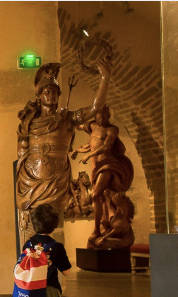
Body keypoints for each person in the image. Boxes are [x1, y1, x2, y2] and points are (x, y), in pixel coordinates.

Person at [15, 57, 111, 240]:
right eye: (46, 91)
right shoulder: (29, 122)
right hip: (30, 181)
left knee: (53, 230)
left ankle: (52, 264)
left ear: (58, 96)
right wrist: (24, 178)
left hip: (56, 181)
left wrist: (105, 78)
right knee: (29, 233)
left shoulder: (68, 118)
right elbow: (21, 152)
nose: (51, 95)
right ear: (39, 95)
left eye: (54, 92)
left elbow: (95, 107)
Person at [71, 106, 134, 247]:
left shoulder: (112, 129)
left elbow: (105, 147)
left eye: (103, 116)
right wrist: (77, 149)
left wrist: (88, 156)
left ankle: (96, 230)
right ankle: (104, 225)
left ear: (108, 115)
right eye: (98, 116)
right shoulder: (93, 126)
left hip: (108, 165)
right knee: (102, 198)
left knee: (95, 195)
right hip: (96, 167)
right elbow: (89, 141)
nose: (100, 118)